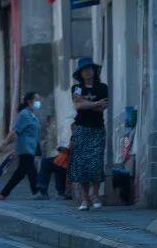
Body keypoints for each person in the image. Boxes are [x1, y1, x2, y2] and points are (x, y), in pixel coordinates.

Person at [69, 57, 109, 210]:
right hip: (81, 128)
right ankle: (84, 199)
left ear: (94, 70)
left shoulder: (102, 87)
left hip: (97, 128)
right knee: (81, 164)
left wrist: (89, 104)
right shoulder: (77, 88)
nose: (87, 71)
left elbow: (103, 106)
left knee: (96, 162)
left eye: (89, 69)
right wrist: (95, 103)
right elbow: (78, 106)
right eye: (84, 69)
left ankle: (95, 194)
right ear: (80, 73)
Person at [0, 92, 41, 199]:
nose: (39, 102)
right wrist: (4, 144)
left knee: (20, 173)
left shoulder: (32, 115)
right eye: (37, 100)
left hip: (31, 148)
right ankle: (36, 192)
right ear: (30, 101)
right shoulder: (24, 114)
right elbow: (14, 131)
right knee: (31, 170)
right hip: (25, 148)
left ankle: (3, 194)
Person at [37, 114, 68, 200]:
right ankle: (48, 191)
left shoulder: (60, 129)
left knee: (50, 163)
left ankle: (47, 191)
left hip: (65, 158)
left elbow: (63, 146)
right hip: (61, 157)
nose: (49, 125)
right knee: (48, 162)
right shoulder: (56, 129)